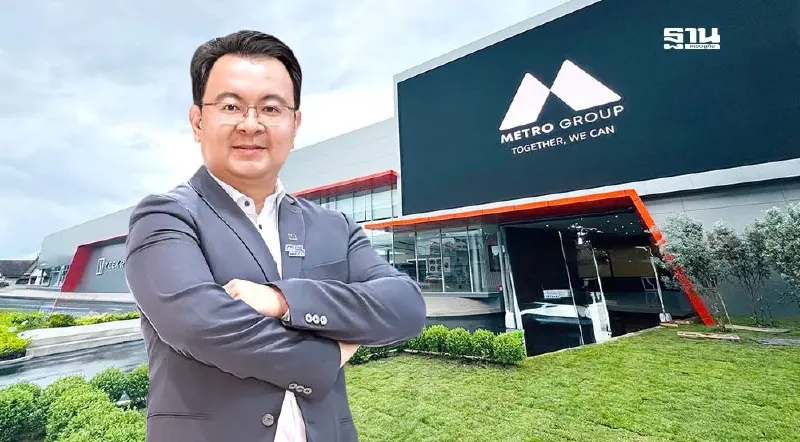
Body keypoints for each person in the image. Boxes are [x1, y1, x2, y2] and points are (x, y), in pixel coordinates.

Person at [124, 30, 426, 442]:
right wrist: (330, 353)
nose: (251, 124)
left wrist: (284, 300)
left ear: (295, 123)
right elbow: (201, 326)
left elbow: (405, 306)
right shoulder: (166, 216)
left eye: (270, 108)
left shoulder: (335, 227)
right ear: (198, 121)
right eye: (231, 106)